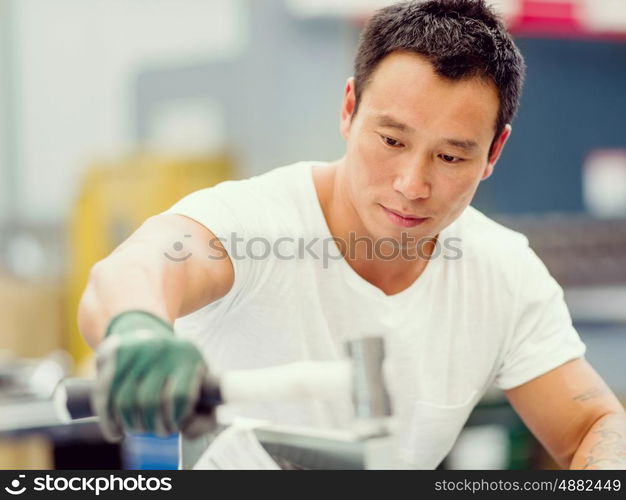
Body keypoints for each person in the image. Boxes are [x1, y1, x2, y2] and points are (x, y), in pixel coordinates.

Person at [78, 0, 626, 469]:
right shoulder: (257, 224)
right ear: (349, 110)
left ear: (494, 153)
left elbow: (590, 425)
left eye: (451, 155)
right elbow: (139, 265)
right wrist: (137, 329)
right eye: (391, 141)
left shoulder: (503, 274)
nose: (413, 185)